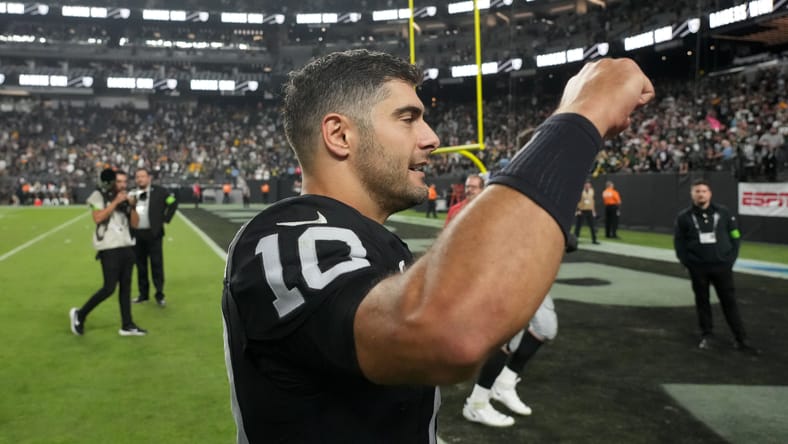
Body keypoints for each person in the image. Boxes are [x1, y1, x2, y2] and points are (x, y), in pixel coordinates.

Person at [221, 49, 654, 443]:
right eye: (408, 118)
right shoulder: (286, 235)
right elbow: (450, 331)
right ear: (339, 135)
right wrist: (583, 114)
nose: (431, 137)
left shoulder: (372, 239)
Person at [448, 174, 566, 427]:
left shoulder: (508, 206)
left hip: (523, 274)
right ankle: (477, 402)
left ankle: (504, 383)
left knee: (546, 327)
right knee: (506, 339)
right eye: (467, 188)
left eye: (474, 188)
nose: (469, 192)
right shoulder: (461, 212)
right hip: (492, 280)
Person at [673, 178, 758, 354]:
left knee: (729, 302)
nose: (700, 194)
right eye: (697, 191)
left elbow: (735, 235)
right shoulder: (684, 217)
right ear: (692, 194)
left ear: (710, 193)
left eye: (704, 191)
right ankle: (707, 335)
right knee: (702, 301)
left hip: (722, 266)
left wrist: (731, 258)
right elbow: (679, 243)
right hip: (698, 268)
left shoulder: (724, 212)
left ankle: (741, 338)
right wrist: (688, 263)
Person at [70, 169, 147, 336]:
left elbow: (135, 224)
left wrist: (132, 206)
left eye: (124, 182)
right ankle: (80, 314)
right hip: (108, 246)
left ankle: (127, 324)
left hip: (126, 244)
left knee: (126, 288)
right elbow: (97, 218)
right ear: (111, 183)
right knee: (109, 288)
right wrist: (115, 202)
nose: (122, 185)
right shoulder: (98, 196)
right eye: (119, 182)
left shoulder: (126, 198)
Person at [131, 168, 178, 307]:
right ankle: (143, 295)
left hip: (154, 234)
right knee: (141, 266)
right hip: (137, 234)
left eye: (143, 176)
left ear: (149, 178)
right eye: (137, 176)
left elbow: (173, 202)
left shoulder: (160, 191)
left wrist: (165, 219)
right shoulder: (132, 193)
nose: (140, 179)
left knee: (157, 265)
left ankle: (159, 294)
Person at [574, 180, 599, 244]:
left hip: (589, 210)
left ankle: (594, 240)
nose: (587, 186)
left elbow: (593, 201)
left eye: (588, 184)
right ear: (584, 185)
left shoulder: (591, 191)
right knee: (578, 226)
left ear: (590, 185)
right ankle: (575, 240)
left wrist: (593, 210)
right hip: (582, 210)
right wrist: (578, 210)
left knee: (592, 226)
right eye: (586, 184)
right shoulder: (580, 191)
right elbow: (576, 201)